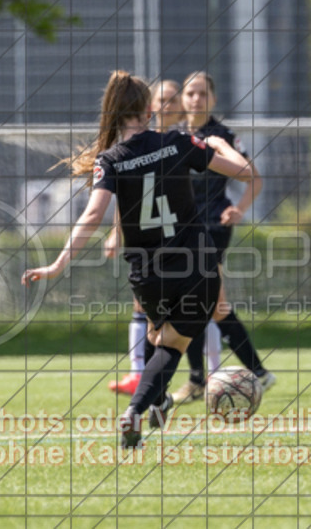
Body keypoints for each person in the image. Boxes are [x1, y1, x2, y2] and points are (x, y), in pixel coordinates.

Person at [22, 70, 255, 448]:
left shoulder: (109, 159)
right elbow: (244, 173)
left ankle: (157, 399)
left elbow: (93, 215)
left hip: (147, 273)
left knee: (158, 337)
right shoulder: (180, 143)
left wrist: (57, 264)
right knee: (171, 346)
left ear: (114, 114)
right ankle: (136, 409)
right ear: (149, 111)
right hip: (195, 264)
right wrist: (217, 144)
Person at [169, 71, 274, 406]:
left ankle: (207, 379)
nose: (195, 99)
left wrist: (239, 209)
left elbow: (253, 178)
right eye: (190, 93)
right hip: (182, 229)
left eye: (202, 93)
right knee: (209, 305)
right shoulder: (173, 137)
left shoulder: (221, 135)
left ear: (212, 98)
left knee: (203, 301)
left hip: (212, 226)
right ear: (182, 100)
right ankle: (251, 373)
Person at [106, 79, 184, 395]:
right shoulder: (131, 148)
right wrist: (116, 231)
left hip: (183, 239)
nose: (165, 106)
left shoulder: (180, 141)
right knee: (149, 314)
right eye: (160, 100)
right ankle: (144, 380)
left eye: (170, 100)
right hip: (150, 244)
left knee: (204, 310)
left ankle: (203, 376)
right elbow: (129, 197)